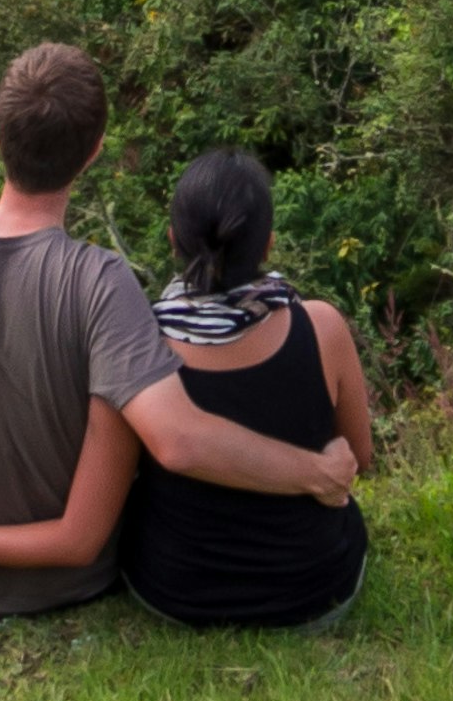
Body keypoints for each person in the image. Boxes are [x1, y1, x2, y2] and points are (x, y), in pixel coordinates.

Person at [0, 45, 352, 621]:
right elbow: (179, 441)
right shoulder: (100, 280)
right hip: (75, 577)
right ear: (93, 152)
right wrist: (316, 471)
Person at [116, 149, 374, 631]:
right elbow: (359, 453)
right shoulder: (322, 328)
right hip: (316, 587)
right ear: (269, 244)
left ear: (173, 240)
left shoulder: (139, 345)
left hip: (175, 590)